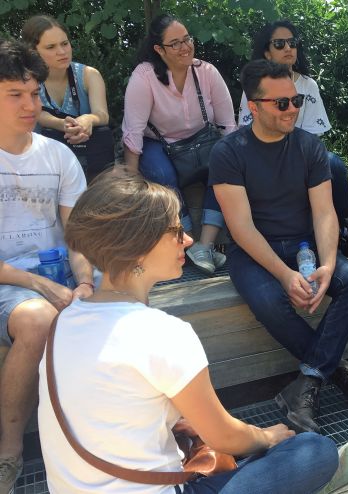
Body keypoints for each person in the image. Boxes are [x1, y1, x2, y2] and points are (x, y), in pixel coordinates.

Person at [36, 172, 339, 493]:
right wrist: (268, 437)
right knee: (315, 450)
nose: (189, 240)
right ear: (139, 245)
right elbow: (224, 437)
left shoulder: (63, 321)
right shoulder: (162, 332)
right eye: (176, 231)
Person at [211, 59, 348, 434]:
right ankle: (340, 374)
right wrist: (285, 275)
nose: (293, 109)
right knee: (270, 300)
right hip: (254, 251)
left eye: (296, 100)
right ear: (253, 106)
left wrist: (330, 264)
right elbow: (241, 228)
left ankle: (309, 382)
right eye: (282, 103)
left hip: (305, 245)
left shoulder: (309, 146)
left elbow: (325, 213)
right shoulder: (229, 152)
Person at [0, 39, 94, 494]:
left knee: (127, 299)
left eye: (35, 93)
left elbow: (76, 236)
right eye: (15, 94)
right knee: (40, 319)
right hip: (9, 283)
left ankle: (123, 433)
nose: (30, 104)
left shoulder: (58, 155)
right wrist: (36, 283)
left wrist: (84, 280)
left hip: (57, 275)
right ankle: (9, 454)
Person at [121, 13, 237, 275]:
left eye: (187, 39)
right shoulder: (145, 76)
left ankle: (205, 244)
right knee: (161, 173)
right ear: (159, 50)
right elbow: (134, 131)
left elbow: (228, 125)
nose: (185, 47)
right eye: (175, 43)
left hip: (202, 142)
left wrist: (234, 163)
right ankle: (186, 242)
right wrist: (130, 182)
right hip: (159, 144)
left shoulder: (206, 72)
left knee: (226, 167)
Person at [237, 20, 348, 254]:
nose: (288, 48)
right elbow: (246, 132)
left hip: (302, 154)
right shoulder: (253, 88)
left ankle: (343, 229)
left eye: (292, 43)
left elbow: (315, 137)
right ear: (266, 52)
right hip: (262, 153)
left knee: (334, 164)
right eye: (279, 44)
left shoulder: (308, 85)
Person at [21, 15, 111, 180]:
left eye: (64, 43)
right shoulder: (25, 78)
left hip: (88, 158)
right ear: (33, 51)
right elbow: (36, 113)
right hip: (37, 160)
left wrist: (88, 120)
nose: (62, 52)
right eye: (50, 47)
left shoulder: (89, 74)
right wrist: (62, 124)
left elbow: (102, 115)